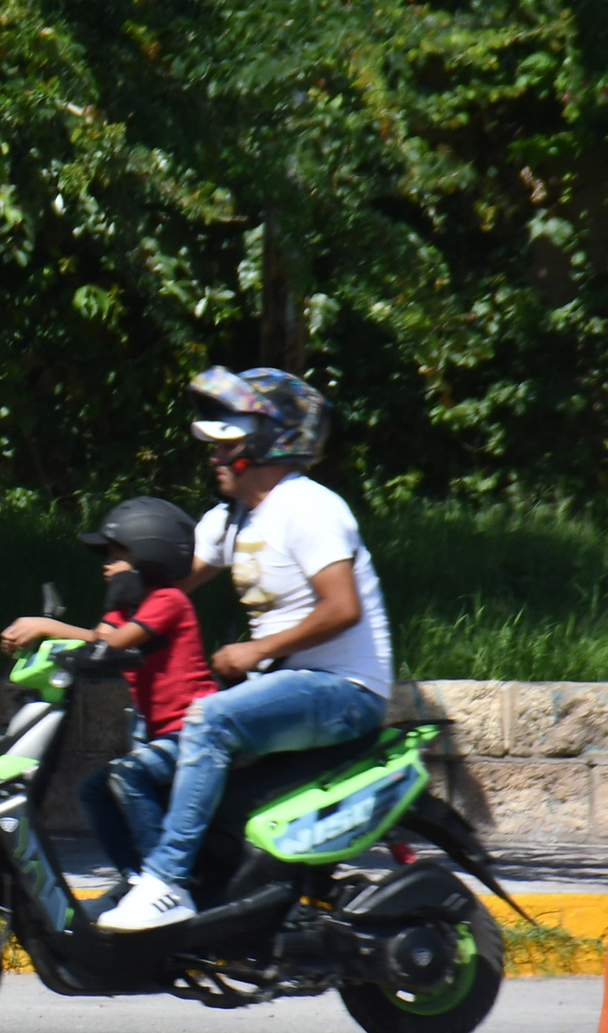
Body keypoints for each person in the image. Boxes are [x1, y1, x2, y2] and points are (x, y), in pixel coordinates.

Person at [98, 367, 393, 932]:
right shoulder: (232, 520)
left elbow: (341, 608)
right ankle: (160, 884)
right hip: (285, 689)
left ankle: (168, 884)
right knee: (139, 768)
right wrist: (100, 635)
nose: (211, 449)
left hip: (344, 690)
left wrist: (259, 650)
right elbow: (165, 589)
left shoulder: (309, 507)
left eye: (226, 436)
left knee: (207, 718)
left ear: (266, 440)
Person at [0, 497, 217, 880]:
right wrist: (32, 637)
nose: (107, 565)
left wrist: (45, 626)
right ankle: (133, 877)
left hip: (193, 731)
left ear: (149, 555)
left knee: (127, 775)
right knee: (93, 790)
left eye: (116, 555)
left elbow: (114, 643)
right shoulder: (124, 611)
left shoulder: (169, 600)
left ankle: (160, 878)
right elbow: (99, 637)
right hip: (159, 735)